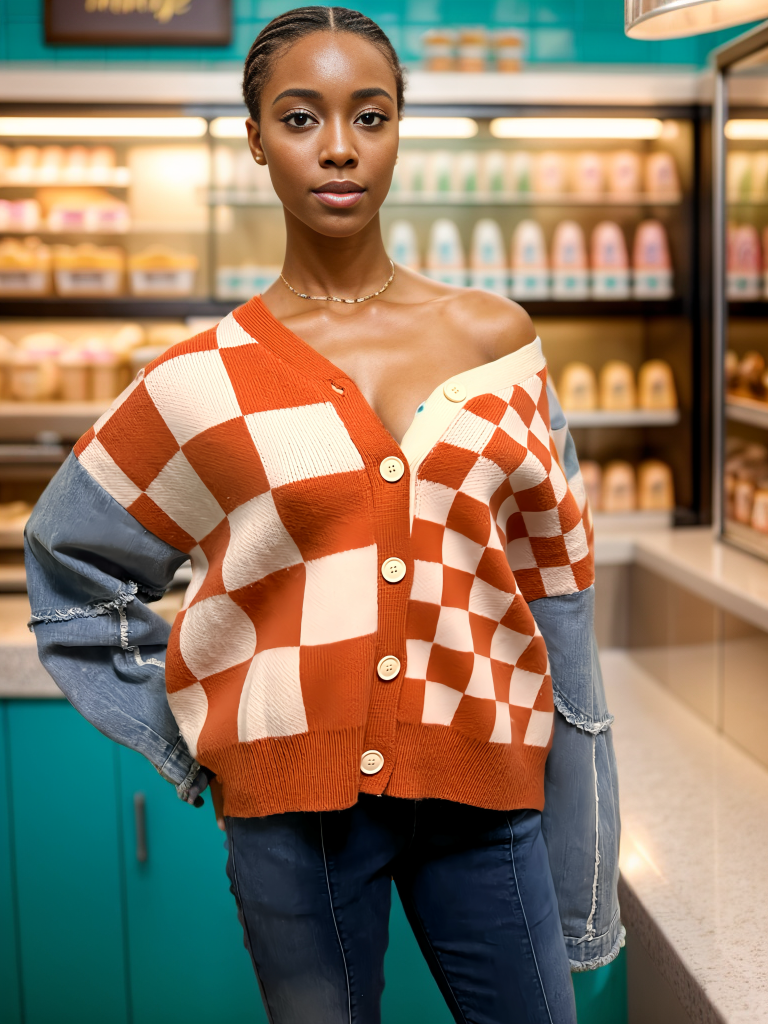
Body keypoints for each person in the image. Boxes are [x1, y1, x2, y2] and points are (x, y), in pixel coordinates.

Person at [24, 8, 622, 1023]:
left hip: (484, 797)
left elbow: (556, 593)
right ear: (256, 137)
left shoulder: (498, 341)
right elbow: (69, 570)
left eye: (370, 115)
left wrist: (588, 843)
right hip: (292, 827)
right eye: (301, 118)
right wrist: (199, 742)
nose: (340, 147)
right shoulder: (198, 381)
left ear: (399, 129)